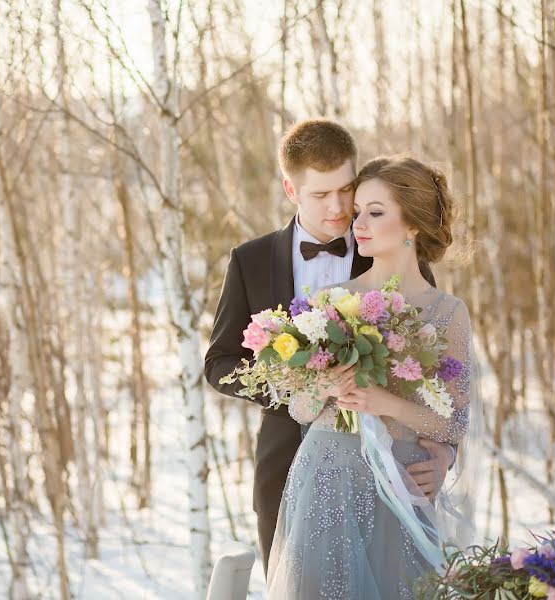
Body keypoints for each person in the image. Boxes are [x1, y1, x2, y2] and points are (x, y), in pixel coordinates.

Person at [204, 120, 454, 576]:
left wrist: (442, 454)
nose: (339, 208)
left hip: (380, 469)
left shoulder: (392, 248)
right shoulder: (250, 260)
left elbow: (433, 369)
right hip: (283, 465)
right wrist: (294, 384)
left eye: (346, 189)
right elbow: (218, 363)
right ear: (290, 189)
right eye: (321, 195)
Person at [265, 155, 476, 599]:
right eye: (358, 212)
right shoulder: (330, 300)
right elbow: (300, 408)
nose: (357, 223)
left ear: (412, 224)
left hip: (399, 484)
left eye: (375, 213)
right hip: (325, 479)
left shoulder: (447, 313)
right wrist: (325, 388)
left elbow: (452, 422)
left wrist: (384, 404)